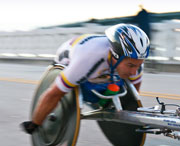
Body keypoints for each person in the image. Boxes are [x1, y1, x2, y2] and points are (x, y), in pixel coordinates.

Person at [21, 23, 150, 134]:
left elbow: (133, 94)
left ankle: (100, 97)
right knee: (73, 87)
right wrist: (35, 123)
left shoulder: (134, 58)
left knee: (116, 82)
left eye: (138, 65)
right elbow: (54, 94)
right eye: (131, 65)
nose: (134, 71)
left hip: (100, 63)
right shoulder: (87, 59)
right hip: (69, 58)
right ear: (116, 55)